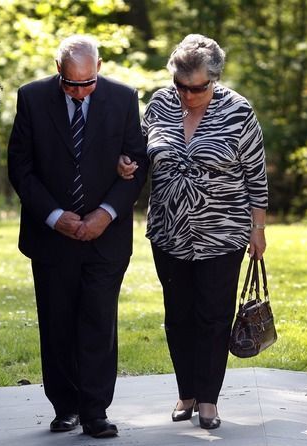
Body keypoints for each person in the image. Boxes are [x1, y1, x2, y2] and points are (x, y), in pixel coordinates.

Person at [118, 34, 268, 430]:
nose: (187, 95)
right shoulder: (160, 104)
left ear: (214, 79)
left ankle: (209, 401)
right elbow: (140, 155)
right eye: (181, 86)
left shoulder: (238, 111)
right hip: (168, 231)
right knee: (178, 316)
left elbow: (256, 174)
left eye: (197, 87)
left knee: (213, 317)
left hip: (223, 232)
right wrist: (124, 165)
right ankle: (186, 392)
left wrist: (258, 228)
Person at [7, 35, 147, 438]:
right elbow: (21, 166)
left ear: (98, 69)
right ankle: (64, 407)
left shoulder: (123, 99)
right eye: (72, 84)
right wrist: (54, 216)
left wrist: (105, 214)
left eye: (88, 83)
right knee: (57, 322)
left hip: (107, 237)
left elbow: (136, 163)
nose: (81, 92)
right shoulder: (32, 99)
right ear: (58, 70)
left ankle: (95, 410)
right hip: (51, 237)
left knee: (99, 321)